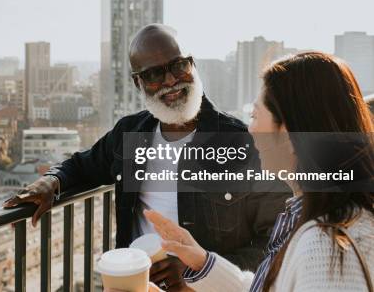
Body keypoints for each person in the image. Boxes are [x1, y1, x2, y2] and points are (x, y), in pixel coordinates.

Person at [4, 24, 288, 290]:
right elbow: (82, 165)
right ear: (138, 82)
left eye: (178, 66)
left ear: (192, 65)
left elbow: (275, 241)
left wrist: (201, 273)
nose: (170, 81)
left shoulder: (245, 144)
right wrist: (51, 182)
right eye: (153, 74)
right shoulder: (130, 134)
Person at [144, 51, 374, 292]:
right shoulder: (317, 218)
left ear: (289, 133)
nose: (250, 130)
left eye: (254, 116)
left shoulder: (327, 250)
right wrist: (203, 262)